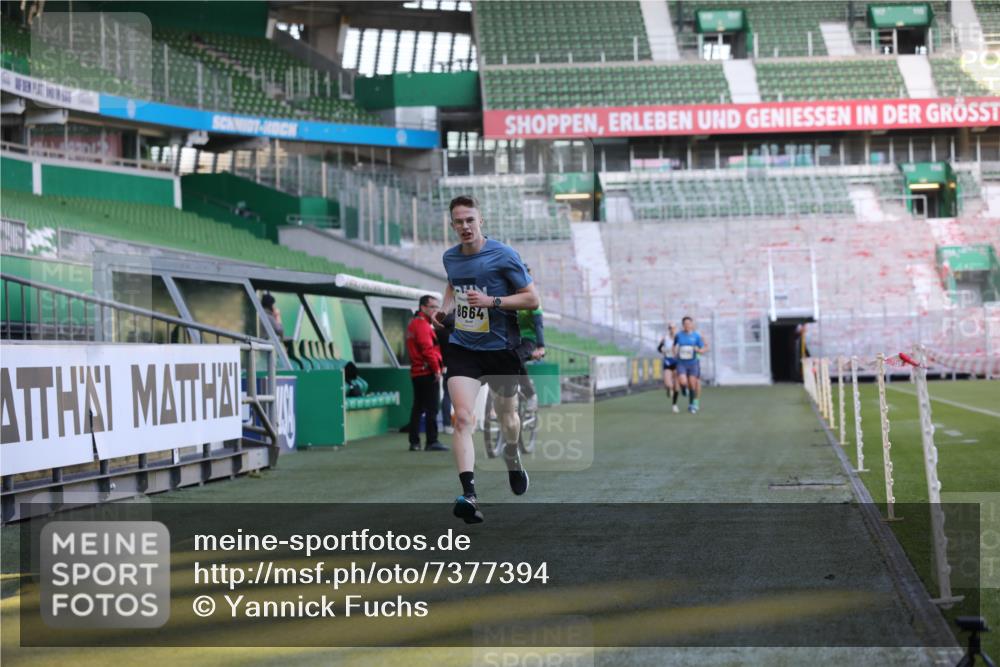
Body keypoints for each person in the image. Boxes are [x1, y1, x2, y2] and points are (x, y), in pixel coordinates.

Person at [437, 195, 539, 524]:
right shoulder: (450, 257)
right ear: (452, 225)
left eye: (470, 220)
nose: (465, 226)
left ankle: (512, 456)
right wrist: (446, 307)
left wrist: (491, 301)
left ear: (481, 221)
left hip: (500, 350)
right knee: (463, 419)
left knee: (507, 416)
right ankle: (469, 495)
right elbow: (452, 283)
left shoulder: (504, 254)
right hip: (463, 348)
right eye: (458, 222)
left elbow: (532, 299)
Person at [406, 295, 448, 452]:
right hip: (426, 371)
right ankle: (431, 441)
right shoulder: (422, 325)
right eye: (433, 307)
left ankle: (414, 442)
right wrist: (436, 369)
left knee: (418, 407)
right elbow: (428, 350)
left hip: (417, 372)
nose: (436, 310)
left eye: (437, 307)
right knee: (431, 408)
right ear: (423, 307)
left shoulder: (414, 324)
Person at [515, 265, 546, 412]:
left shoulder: (533, 298)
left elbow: (538, 325)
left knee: (516, 358)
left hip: (528, 338)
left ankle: (530, 395)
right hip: (512, 338)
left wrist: (540, 347)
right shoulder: (510, 295)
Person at [673, 316, 709, 414]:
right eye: (685, 324)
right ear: (683, 325)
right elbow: (674, 346)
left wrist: (699, 350)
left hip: (693, 362)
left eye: (689, 323)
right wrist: (675, 352)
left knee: (693, 383)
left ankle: (692, 405)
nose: (687, 325)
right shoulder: (679, 335)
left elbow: (704, 348)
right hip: (681, 362)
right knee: (683, 381)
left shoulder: (697, 336)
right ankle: (684, 389)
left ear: (692, 324)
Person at [657, 323, 681, 413]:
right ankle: (668, 388)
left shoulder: (679, 338)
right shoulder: (665, 338)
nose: (672, 329)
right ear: (668, 329)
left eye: (674, 328)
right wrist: (663, 351)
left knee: (676, 385)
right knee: (668, 384)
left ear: (676, 329)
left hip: (678, 362)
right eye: (670, 328)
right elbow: (659, 348)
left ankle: (674, 405)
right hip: (668, 362)